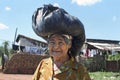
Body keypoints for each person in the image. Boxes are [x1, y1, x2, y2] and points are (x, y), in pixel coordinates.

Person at [32, 4, 91, 80]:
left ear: (69, 44)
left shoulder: (79, 70)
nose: (56, 47)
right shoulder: (43, 65)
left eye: (60, 42)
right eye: (52, 42)